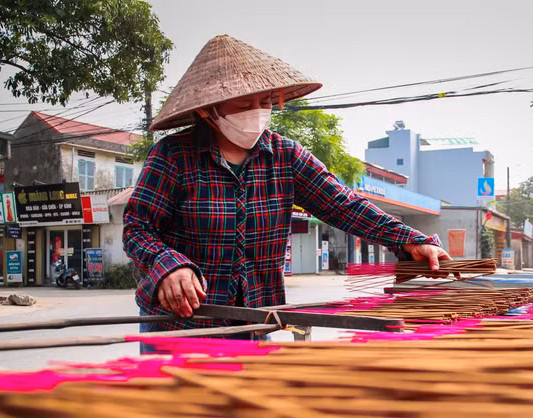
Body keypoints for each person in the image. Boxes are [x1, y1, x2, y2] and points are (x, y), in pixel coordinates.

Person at [124, 35, 448, 339]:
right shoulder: (173, 155)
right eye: (242, 104)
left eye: (263, 101)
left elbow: (344, 205)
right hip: (181, 326)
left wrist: (410, 240)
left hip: (253, 323)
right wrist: (167, 265)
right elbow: (137, 226)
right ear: (208, 110)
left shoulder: (286, 156)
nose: (256, 111)